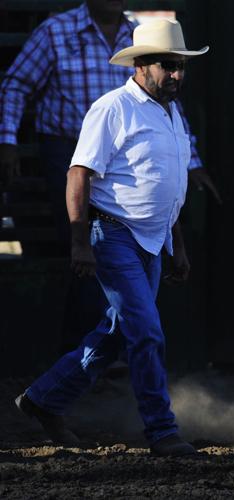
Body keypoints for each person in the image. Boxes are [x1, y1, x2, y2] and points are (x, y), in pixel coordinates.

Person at [14, 19, 208, 457]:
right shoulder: (113, 108)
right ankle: (161, 430)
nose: (176, 75)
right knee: (146, 332)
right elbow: (78, 173)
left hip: (152, 238)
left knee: (118, 331)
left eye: (181, 66)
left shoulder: (171, 112)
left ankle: (44, 399)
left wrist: (176, 242)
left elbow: (168, 183)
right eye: (167, 66)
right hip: (113, 232)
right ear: (141, 65)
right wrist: (80, 240)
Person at [0, 0, 220, 351]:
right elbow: (17, 85)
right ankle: (88, 349)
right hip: (69, 150)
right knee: (86, 249)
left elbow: (161, 109)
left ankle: (95, 352)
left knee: (106, 257)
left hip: (125, 160)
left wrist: (190, 161)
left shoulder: (139, 34)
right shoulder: (56, 32)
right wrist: (7, 140)